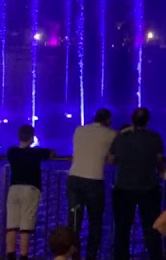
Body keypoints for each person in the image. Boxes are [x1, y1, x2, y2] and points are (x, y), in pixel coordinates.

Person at [110, 108, 166, 260]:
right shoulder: (155, 138)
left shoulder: (121, 138)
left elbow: (111, 159)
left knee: (122, 230)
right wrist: (164, 173)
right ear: (147, 121)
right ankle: (156, 257)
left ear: (132, 120)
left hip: (123, 188)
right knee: (152, 228)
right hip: (148, 189)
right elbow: (159, 161)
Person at [68, 109, 116, 260]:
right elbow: (110, 160)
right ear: (107, 120)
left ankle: (73, 255)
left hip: (74, 179)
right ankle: (91, 256)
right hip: (94, 182)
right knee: (95, 222)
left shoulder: (79, 130)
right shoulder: (111, 134)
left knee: (74, 221)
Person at [6, 124, 55, 260]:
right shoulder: (36, 153)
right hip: (30, 189)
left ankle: (10, 256)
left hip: (14, 189)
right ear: (32, 138)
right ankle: (23, 257)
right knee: (25, 228)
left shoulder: (12, 152)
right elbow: (51, 153)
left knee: (11, 226)